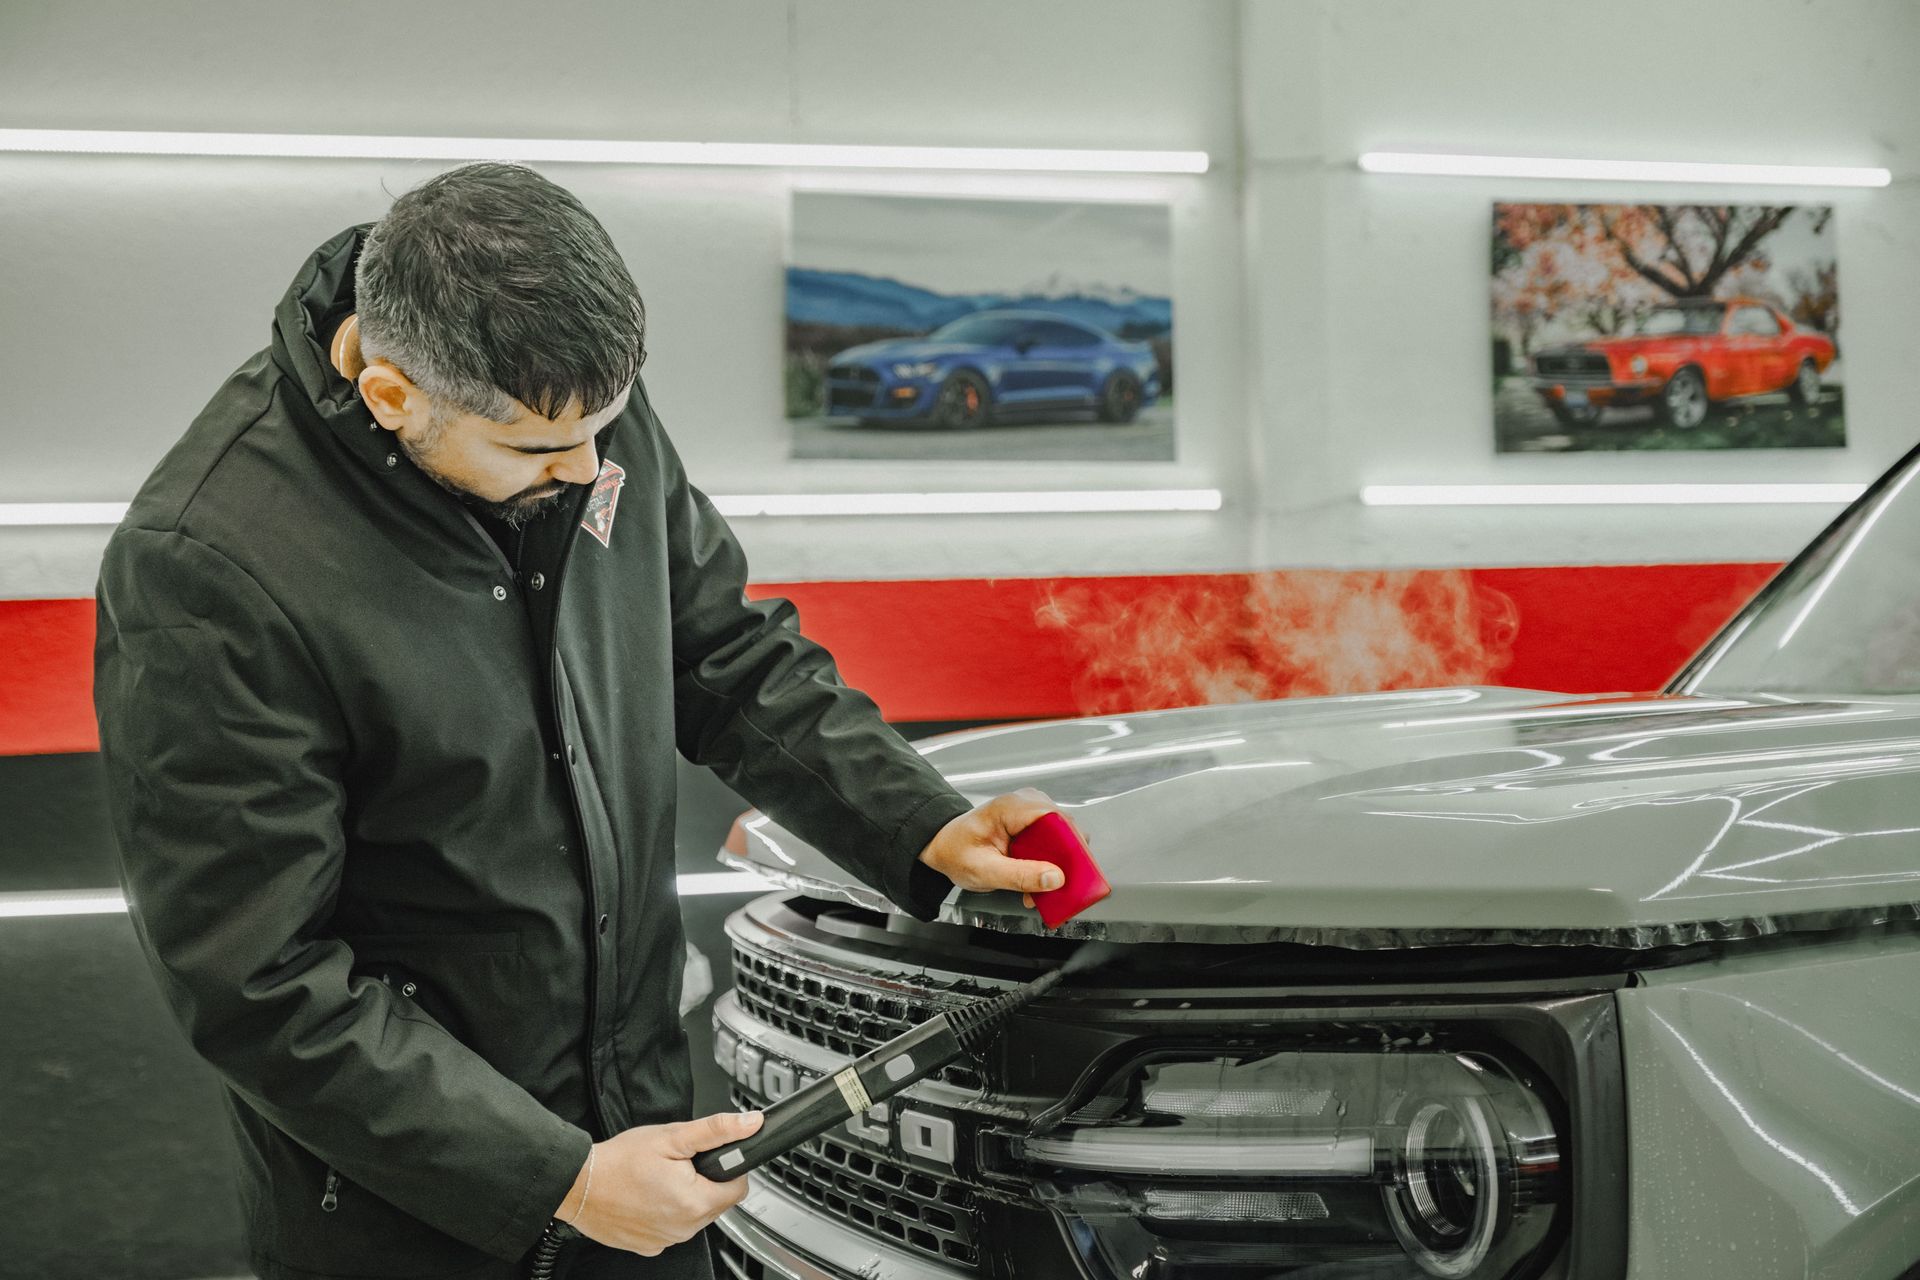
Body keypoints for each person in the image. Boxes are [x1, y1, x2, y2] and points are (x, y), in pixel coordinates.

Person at [92, 162, 1075, 1280]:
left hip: (648, 1141)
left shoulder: (564, 400)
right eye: (536, 451)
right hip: (415, 1201)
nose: (590, 468)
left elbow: (721, 648)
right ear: (393, 396)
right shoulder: (211, 566)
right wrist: (553, 1178)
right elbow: (257, 980)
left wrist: (917, 822)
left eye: (608, 426)